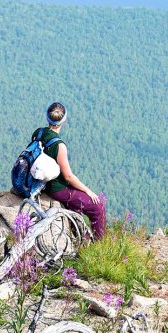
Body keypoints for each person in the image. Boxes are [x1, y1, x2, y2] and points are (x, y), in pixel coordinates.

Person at [38, 101, 106, 240]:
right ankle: (100, 246)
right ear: (64, 119)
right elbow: (68, 177)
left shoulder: (39, 133)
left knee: (75, 210)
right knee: (97, 208)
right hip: (57, 188)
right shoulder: (59, 146)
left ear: (47, 117)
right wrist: (88, 191)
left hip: (42, 183)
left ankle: (82, 238)